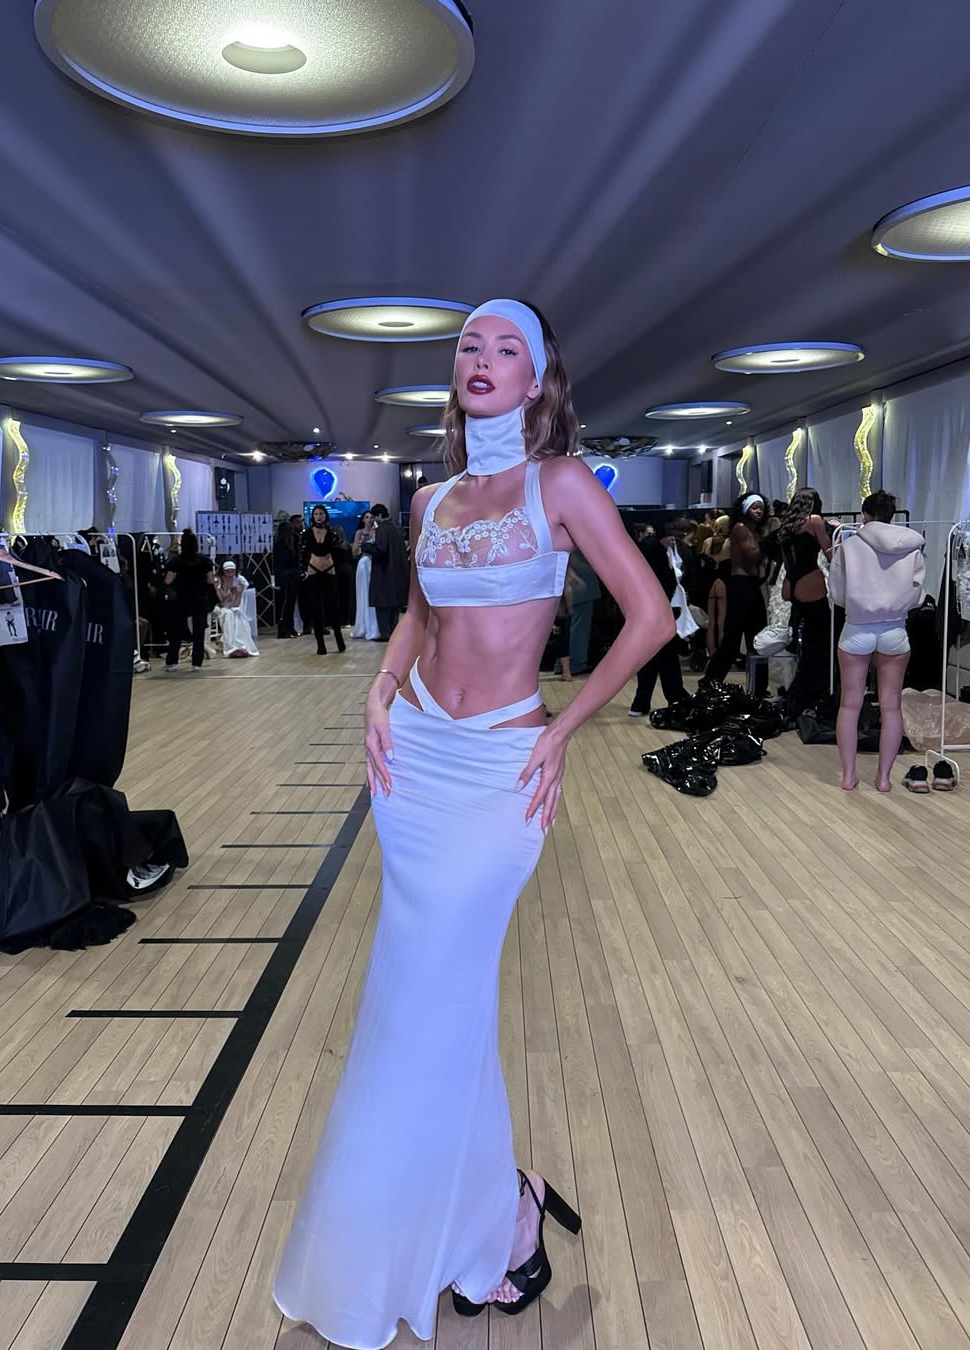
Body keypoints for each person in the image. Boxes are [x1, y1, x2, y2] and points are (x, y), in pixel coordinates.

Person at [272, 298, 674, 1348]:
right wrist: (379, 689)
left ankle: (484, 1218)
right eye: (469, 346)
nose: (482, 359)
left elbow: (651, 616)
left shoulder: (562, 483)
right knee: (425, 1016)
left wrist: (566, 728)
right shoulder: (430, 497)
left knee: (427, 1014)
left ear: (538, 379)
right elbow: (418, 615)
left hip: (501, 769)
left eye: (507, 348)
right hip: (413, 762)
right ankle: (499, 1214)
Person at [828, 489, 924, 793]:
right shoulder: (911, 547)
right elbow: (917, 595)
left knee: (850, 704)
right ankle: (883, 779)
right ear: (891, 516)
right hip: (895, 629)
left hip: (857, 628)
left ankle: (848, 776)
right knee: (891, 707)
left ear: (864, 515)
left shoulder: (849, 546)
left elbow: (837, 593)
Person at [703, 494, 771, 696]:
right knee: (734, 638)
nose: (758, 511)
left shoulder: (751, 529)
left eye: (761, 508)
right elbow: (753, 556)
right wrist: (771, 542)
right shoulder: (741, 528)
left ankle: (758, 687)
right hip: (742, 585)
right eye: (754, 507)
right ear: (744, 509)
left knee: (756, 638)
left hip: (749, 585)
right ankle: (711, 681)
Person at [777, 489, 833, 715]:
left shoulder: (787, 524)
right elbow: (830, 553)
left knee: (807, 642)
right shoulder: (815, 521)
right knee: (819, 644)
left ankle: (798, 696)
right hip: (810, 581)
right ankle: (806, 696)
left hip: (791, 583)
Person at [629, 522, 689, 716]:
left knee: (657, 654)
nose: (677, 536)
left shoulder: (664, 549)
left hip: (657, 609)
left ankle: (645, 701)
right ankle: (672, 697)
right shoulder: (652, 548)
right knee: (661, 655)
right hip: (656, 609)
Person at [162, 529, 214, 672]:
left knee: (176, 631)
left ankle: (172, 662)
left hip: (180, 599)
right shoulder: (204, 560)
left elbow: (168, 580)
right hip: (200, 598)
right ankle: (197, 663)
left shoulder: (176, 560)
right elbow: (210, 580)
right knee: (199, 631)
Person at [301, 506, 346, 655]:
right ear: (313, 516)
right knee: (315, 608)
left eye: (321, 513)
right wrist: (303, 569)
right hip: (313, 569)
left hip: (329, 569)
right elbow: (302, 552)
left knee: (333, 606)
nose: (318, 516)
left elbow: (341, 551)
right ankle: (320, 645)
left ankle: (340, 641)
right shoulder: (307, 533)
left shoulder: (332, 533)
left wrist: (336, 566)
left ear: (325, 515)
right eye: (316, 514)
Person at [362, 502, 409, 640]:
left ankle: (385, 633)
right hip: (397, 572)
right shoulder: (395, 528)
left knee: (381, 604)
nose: (373, 520)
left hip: (384, 572)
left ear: (379, 515)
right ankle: (394, 632)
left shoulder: (382, 528)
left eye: (374, 517)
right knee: (394, 606)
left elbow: (380, 548)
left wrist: (366, 546)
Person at [564, 547, 600, 674]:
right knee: (579, 629)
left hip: (567, 586)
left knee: (566, 629)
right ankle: (577, 664)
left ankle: (563, 664)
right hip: (582, 586)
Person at [701, 515, 731, 658]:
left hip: (708, 583)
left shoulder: (707, 542)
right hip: (723, 583)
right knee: (722, 621)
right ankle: (722, 654)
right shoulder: (730, 542)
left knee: (710, 622)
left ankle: (711, 652)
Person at [215, 560, 259, 658]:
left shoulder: (238, 580)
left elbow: (236, 604)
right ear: (223, 571)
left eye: (232, 571)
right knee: (228, 614)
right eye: (228, 571)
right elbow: (221, 601)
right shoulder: (218, 581)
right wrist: (229, 592)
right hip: (219, 607)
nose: (230, 574)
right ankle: (230, 648)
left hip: (231, 606)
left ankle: (242, 645)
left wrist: (238, 593)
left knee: (239, 614)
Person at [352, 511, 381, 640]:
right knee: (363, 594)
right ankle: (363, 626)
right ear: (363, 520)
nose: (369, 519)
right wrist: (360, 544)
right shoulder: (359, 533)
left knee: (374, 594)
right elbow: (354, 552)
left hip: (375, 564)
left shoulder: (378, 532)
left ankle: (375, 626)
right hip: (364, 563)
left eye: (371, 517)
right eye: (367, 517)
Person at [273, 520, 301, 638]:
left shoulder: (285, 545)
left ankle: (290, 628)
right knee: (286, 604)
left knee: (290, 604)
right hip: (287, 578)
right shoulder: (283, 547)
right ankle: (284, 629)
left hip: (288, 577)